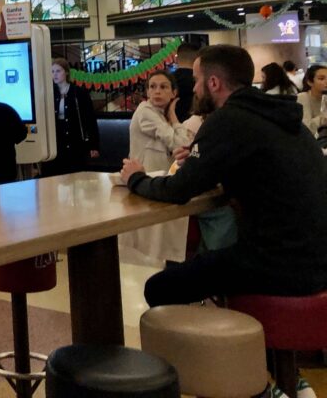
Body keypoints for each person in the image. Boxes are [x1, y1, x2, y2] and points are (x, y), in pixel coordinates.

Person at [120, 45, 327, 307]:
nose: (193, 89)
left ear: (214, 82)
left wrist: (135, 178)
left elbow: (177, 190)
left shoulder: (228, 119)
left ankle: (206, 348)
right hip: (317, 258)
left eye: (197, 80)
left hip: (281, 265)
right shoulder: (279, 115)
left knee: (159, 287)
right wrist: (204, 157)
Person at [119, 70, 191, 266]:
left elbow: (183, 145)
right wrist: (174, 117)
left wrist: (172, 116)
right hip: (144, 183)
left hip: (156, 183)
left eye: (163, 87)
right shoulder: (145, 112)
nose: (157, 91)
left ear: (173, 93)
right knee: (149, 247)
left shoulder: (162, 115)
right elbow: (179, 144)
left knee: (163, 242)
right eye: (152, 87)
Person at [41, 58, 99, 177]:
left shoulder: (78, 93)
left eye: (58, 71)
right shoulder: (49, 94)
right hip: (57, 140)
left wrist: (94, 145)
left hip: (75, 139)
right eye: (52, 71)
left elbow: (90, 119)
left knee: (75, 175)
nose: (55, 74)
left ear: (66, 72)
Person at [297, 64, 327, 133]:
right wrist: (323, 118)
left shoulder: (325, 97)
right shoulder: (303, 97)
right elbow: (307, 128)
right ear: (310, 82)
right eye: (321, 79)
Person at [172, 43, 198, 122]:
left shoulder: (167, 81)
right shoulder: (200, 81)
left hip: (170, 128)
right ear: (197, 59)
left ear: (176, 59)